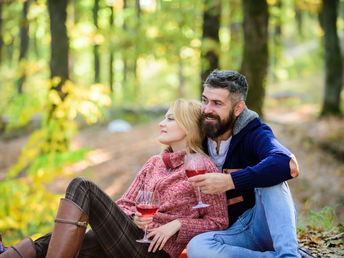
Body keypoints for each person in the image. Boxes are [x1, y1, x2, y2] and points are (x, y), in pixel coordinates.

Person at [0, 99, 228, 258]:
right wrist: (134, 218)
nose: (161, 123)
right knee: (58, 243)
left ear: (188, 126)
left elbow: (219, 221)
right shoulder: (154, 163)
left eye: (170, 119)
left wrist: (177, 225)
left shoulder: (202, 166)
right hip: (128, 238)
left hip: (154, 252)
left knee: (83, 186)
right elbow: (124, 205)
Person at [187, 70, 301, 257]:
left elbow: (287, 163)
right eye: (205, 100)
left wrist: (230, 181)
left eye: (217, 103)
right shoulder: (199, 132)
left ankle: (289, 255)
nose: (207, 109)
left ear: (238, 109)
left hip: (263, 223)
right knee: (197, 247)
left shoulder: (254, 132)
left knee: (271, 178)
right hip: (233, 232)